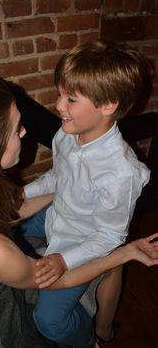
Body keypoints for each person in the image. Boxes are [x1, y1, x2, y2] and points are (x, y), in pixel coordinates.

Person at [0, 74, 157, 348]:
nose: (23, 132)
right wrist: (124, 253)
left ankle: (101, 323)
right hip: (7, 329)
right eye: (16, 129)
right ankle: (88, 340)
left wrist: (72, 188)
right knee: (50, 321)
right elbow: (58, 277)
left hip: (52, 243)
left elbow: (31, 200)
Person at [21, 39, 151, 347]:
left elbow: (108, 238)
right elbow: (56, 177)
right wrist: (22, 195)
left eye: (71, 99)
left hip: (84, 240)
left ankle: (88, 339)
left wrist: (64, 261)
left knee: (48, 321)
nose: (58, 106)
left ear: (108, 105)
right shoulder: (66, 134)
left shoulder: (121, 173)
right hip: (58, 215)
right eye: (60, 94)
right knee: (5, 228)